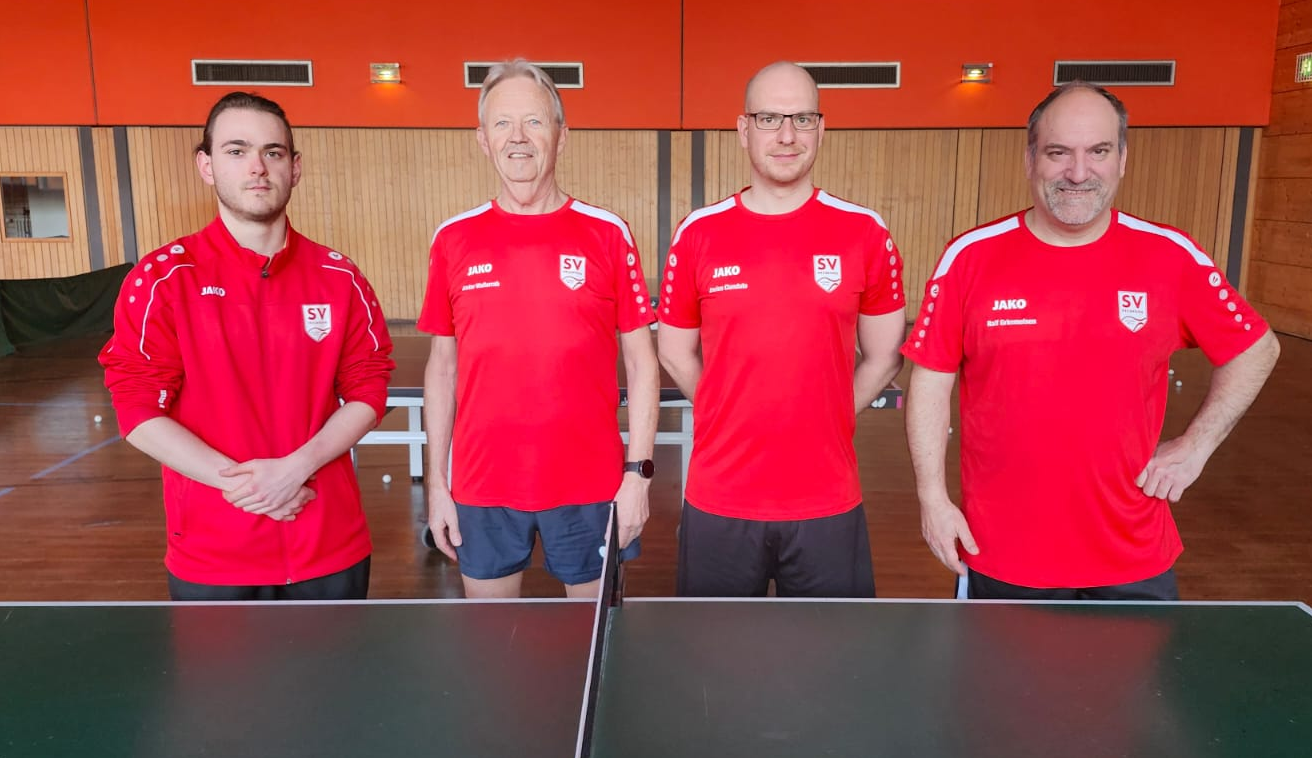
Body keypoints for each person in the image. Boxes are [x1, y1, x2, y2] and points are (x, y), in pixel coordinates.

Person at [904, 81, 1281, 600]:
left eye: (1098, 152)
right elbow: (930, 380)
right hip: (1003, 552)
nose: (1078, 173)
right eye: (1058, 152)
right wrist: (931, 498)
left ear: (1122, 159)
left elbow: (1256, 347)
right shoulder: (970, 257)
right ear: (1030, 159)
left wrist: (1197, 445)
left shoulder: (1169, 256)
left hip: (1133, 554)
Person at [99, 92, 395, 600]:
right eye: (236, 151)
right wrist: (252, 486)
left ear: (294, 168)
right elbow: (137, 410)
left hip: (329, 543)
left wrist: (295, 469)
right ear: (206, 165)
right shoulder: (164, 279)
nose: (257, 167)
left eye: (272, 152)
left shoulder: (339, 277)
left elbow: (369, 390)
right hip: (214, 554)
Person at [657, 61, 906, 597]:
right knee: (712, 648)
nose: (787, 135)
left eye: (802, 119)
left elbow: (885, 355)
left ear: (822, 127)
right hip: (720, 497)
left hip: (827, 499)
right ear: (743, 129)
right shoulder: (698, 233)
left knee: (832, 650)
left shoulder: (864, 232)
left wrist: (831, 413)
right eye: (769, 118)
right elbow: (674, 351)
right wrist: (728, 410)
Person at [419, 59, 659, 598]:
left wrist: (638, 475)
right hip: (482, 487)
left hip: (591, 487)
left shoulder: (607, 234)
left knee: (591, 642)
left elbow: (642, 363)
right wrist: (437, 484)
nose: (518, 138)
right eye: (502, 124)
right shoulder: (453, 239)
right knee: (490, 642)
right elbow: (442, 368)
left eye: (534, 122)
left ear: (561, 135)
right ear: (483, 139)